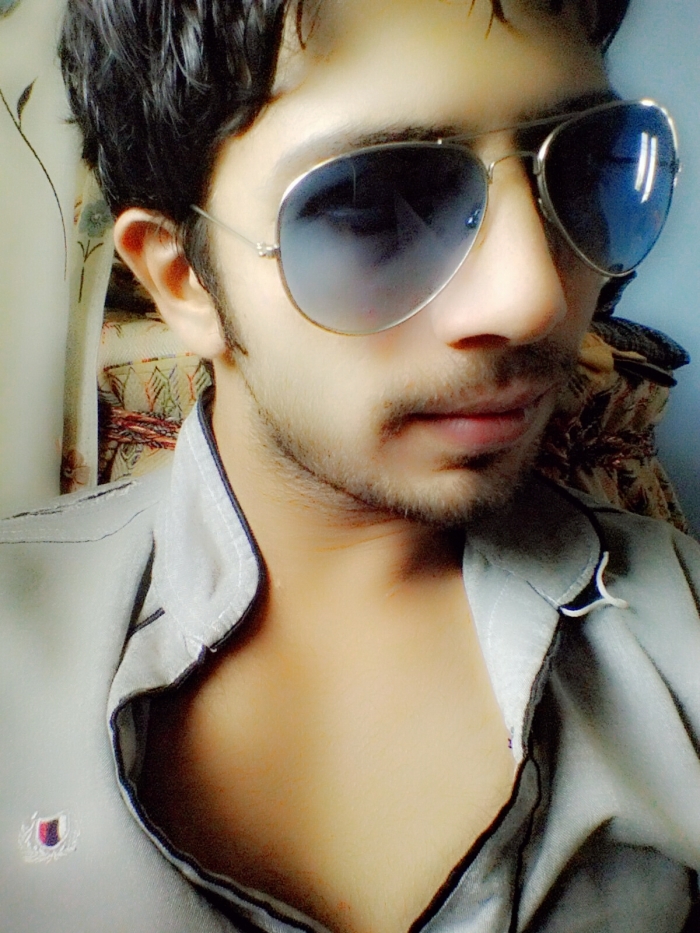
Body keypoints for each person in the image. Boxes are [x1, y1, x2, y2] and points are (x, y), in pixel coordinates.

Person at [1, 0, 699, 930]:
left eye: (582, 166)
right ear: (184, 279)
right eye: (374, 203)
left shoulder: (679, 636)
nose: (536, 295)